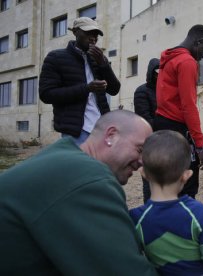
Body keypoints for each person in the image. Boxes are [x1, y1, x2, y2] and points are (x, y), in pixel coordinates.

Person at [0, 110, 156, 275]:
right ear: (111, 135)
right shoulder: (89, 179)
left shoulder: (63, 159)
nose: (142, 162)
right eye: (140, 150)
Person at [129, 130, 203, 275]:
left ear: (143, 173)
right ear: (187, 175)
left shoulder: (137, 218)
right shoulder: (196, 211)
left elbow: (135, 259)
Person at [39, 17, 121, 145]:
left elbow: (114, 89)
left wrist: (103, 64)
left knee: (101, 165)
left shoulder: (98, 59)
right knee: (81, 165)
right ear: (75, 32)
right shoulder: (56, 57)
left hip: (101, 127)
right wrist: (86, 88)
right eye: (88, 33)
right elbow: (46, 94)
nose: (93, 38)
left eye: (96, 35)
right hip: (76, 131)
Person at [154, 24, 203, 199]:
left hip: (162, 125)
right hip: (178, 129)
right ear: (198, 42)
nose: (202, 56)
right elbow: (188, 107)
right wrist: (201, 146)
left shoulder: (168, 59)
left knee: (167, 182)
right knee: (186, 185)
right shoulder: (187, 62)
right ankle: (185, 225)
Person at [134, 57, 160, 203]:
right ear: (151, 73)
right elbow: (144, 121)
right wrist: (166, 123)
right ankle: (149, 209)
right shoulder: (141, 92)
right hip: (149, 143)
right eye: (157, 72)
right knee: (149, 180)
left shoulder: (165, 91)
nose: (160, 75)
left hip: (165, 142)